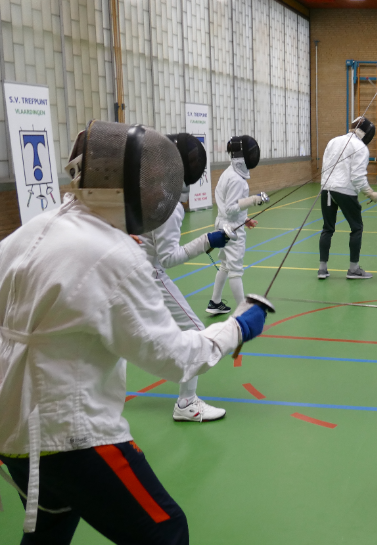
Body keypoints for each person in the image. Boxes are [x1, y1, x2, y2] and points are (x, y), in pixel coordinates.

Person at [0, 120, 267, 541]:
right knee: (166, 529)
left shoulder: (30, 231)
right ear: (129, 186)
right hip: (69, 433)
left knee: (52, 523)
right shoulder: (115, 254)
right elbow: (175, 357)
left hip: (11, 429)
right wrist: (239, 327)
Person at [139, 133, 231, 422]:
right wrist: (207, 241)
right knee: (194, 330)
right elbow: (167, 258)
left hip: (119, 267)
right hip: (146, 274)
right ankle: (186, 403)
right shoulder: (169, 206)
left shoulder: (143, 188)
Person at [206, 135, 267, 315]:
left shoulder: (229, 173)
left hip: (226, 224)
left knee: (225, 265)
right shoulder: (236, 180)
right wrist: (254, 200)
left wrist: (245, 219)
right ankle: (243, 311)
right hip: (231, 229)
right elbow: (231, 207)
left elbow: (229, 207)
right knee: (235, 270)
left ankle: (215, 302)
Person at [318, 116, 377, 279]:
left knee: (327, 228)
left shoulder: (333, 141)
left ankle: (322, 269)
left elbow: (325, 166)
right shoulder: (360, 147)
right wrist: (370, 193)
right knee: (356, 227)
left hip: (326, 189)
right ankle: (353, 269)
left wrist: (326, 186)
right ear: (367, 133)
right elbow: (357, 177)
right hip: (345, 190)